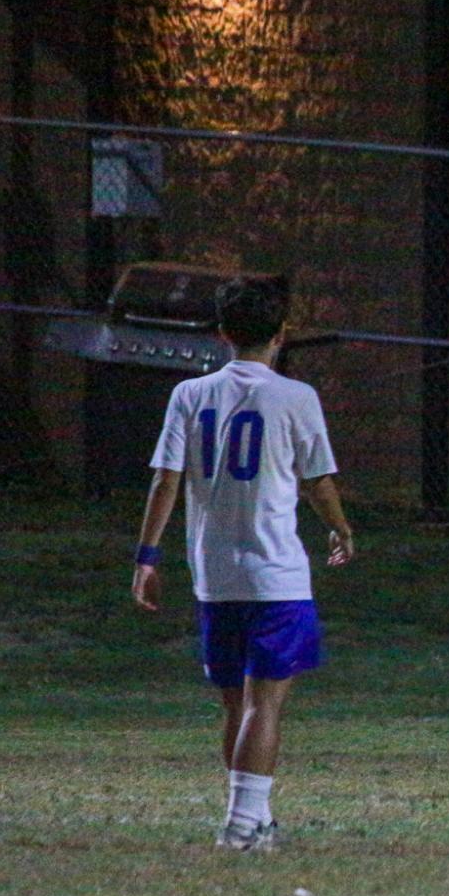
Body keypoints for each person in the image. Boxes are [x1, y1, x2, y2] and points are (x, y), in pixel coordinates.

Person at [130, 275, 356, 851]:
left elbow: (166, 481)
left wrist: (147, 556)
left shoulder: (190, 393)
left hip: (215, 576)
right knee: (265, 704)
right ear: (281, 334)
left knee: (237, 703)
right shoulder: (295, 397)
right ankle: (242, 824)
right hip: (275, 572)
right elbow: (318, 481)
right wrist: (340, 527)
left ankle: (254, 819)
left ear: (224, 333)